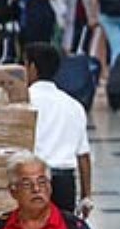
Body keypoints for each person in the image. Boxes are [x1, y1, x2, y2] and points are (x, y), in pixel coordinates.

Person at [24, 43, 93, 216]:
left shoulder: (23, 103)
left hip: (33, 179)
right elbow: (83, 156)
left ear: (32, 67)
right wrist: (86, 196)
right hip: (65, 183)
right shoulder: (73, 105)